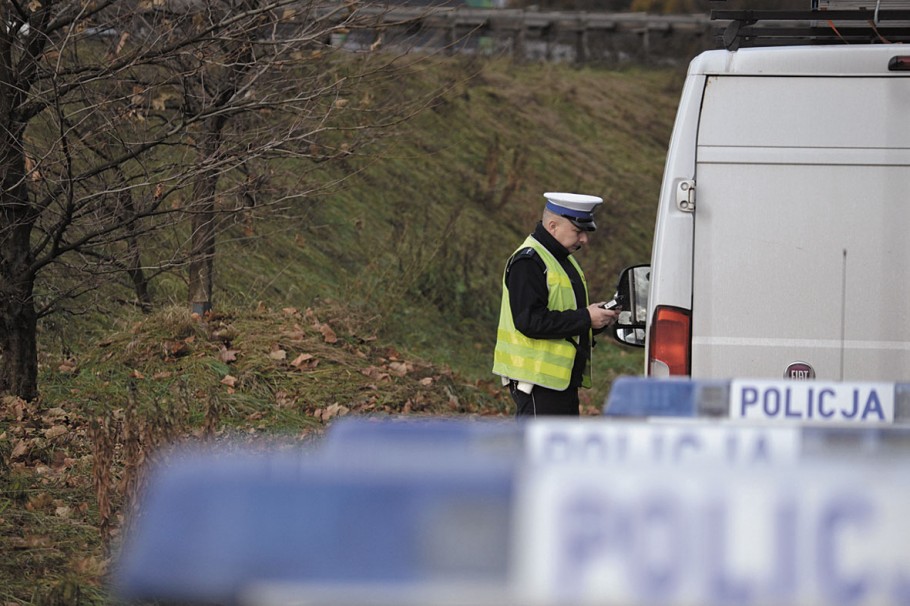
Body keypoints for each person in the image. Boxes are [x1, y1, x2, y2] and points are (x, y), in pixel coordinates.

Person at [492, 192, 619, 417]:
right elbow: (529, 321)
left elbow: (564, 316)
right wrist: (585, 318)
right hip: (536, 381)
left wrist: (596, 319)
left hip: (559, 382)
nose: (584, 240)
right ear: (553, 225)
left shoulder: (561, 259)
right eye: (578, 232)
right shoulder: (529, 261)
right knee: (537, 452)